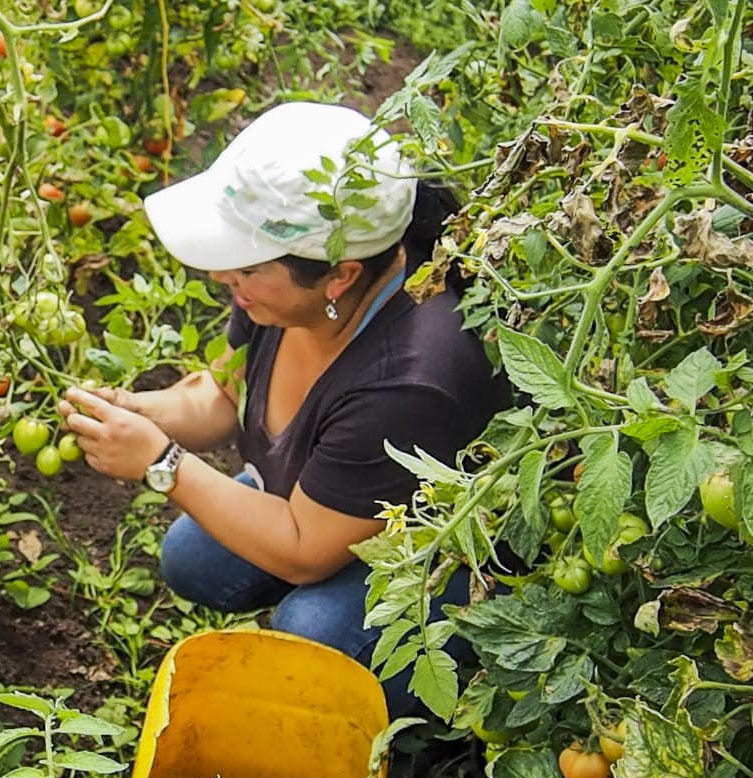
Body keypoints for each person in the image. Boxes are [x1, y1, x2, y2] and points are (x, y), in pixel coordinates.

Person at [59, 102, 509, 715]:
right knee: (195, 558)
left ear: (339, 278)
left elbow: (303, 547)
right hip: (335, 501)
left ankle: (419, 718)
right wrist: (137, 410)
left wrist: (160, 462)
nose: (224, 277)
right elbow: (223, 393)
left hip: (444, 552)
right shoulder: (284, 289)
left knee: (313, 629)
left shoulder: (409, 381)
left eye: (243, 268)